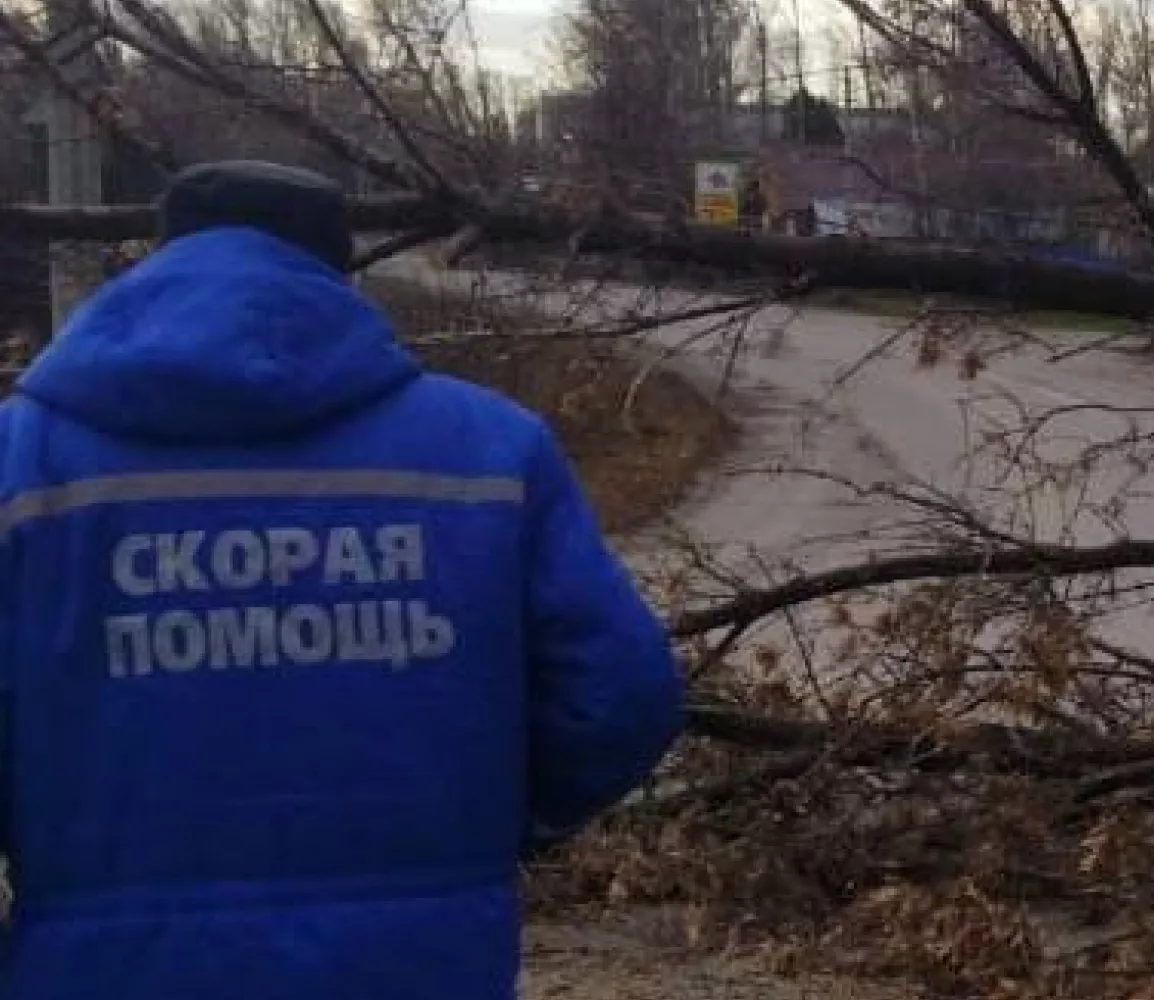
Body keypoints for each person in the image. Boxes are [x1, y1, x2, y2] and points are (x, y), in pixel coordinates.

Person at [0, 160, 686, 999]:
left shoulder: (20, 464)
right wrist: (501, 825)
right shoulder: (490, 453)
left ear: (158, 254)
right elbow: (624, 695)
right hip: (423, 963)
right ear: (338, 265)